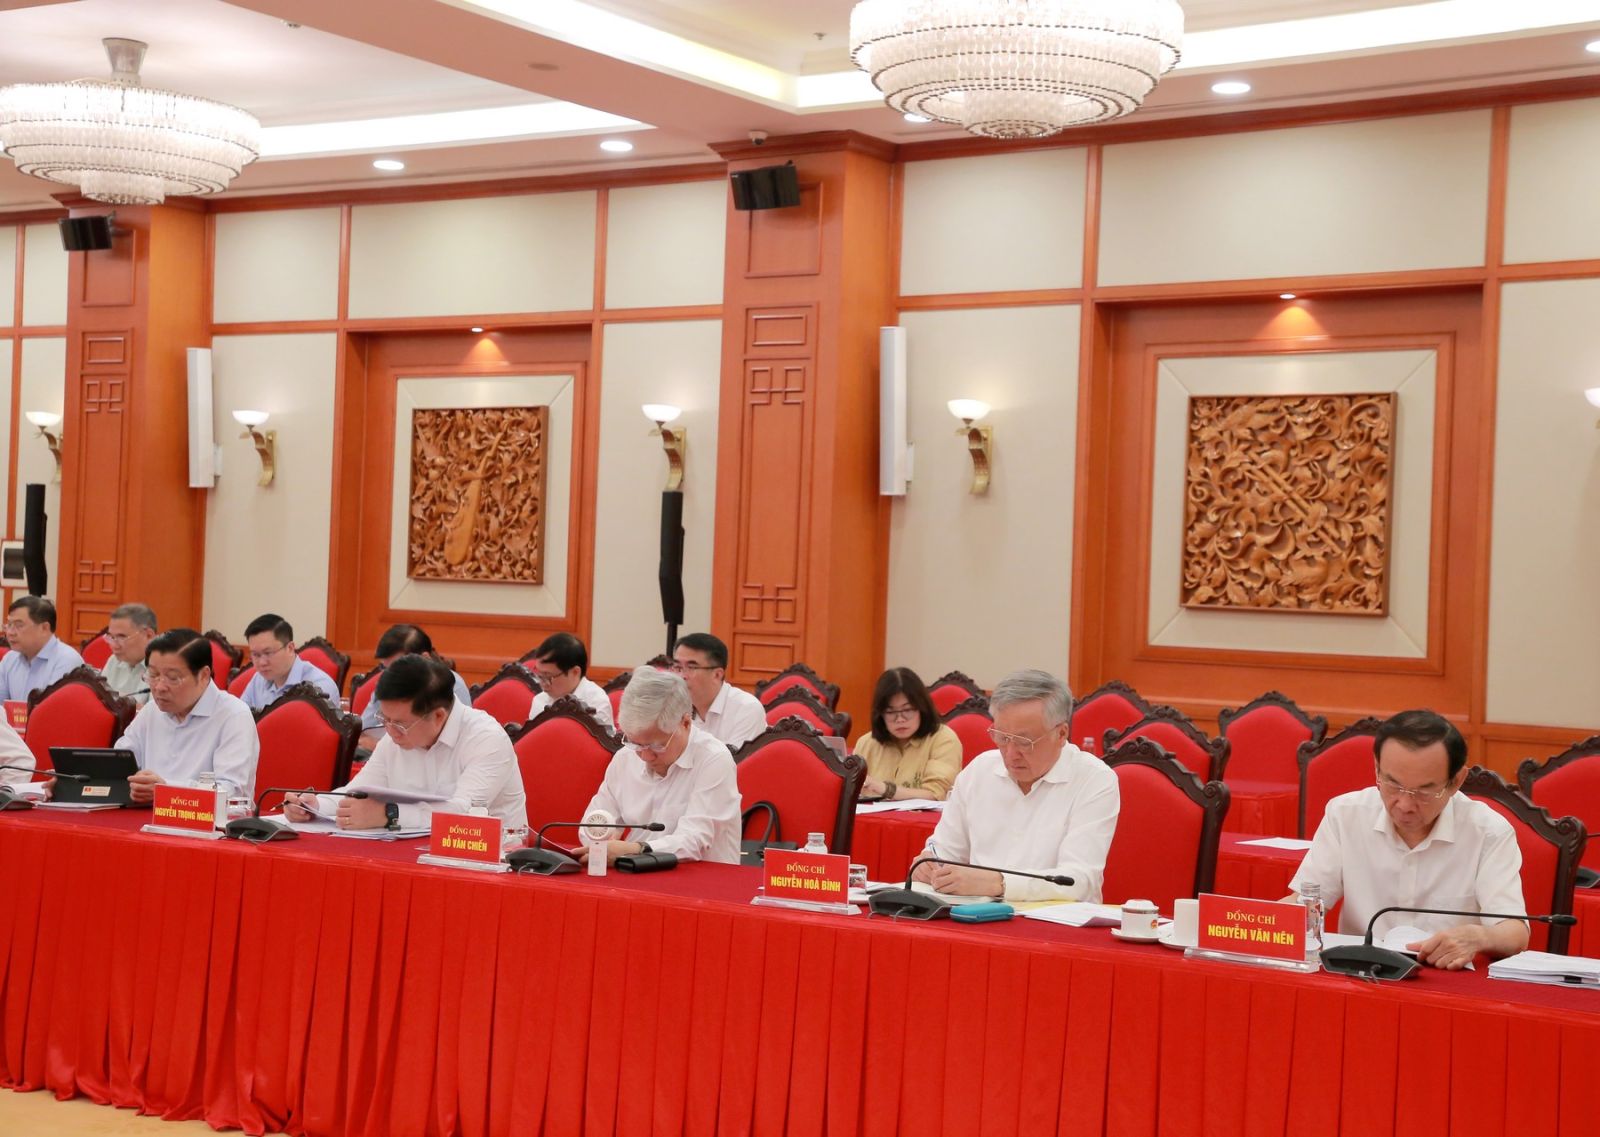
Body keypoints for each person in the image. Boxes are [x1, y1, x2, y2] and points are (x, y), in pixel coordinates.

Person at [1289, 709, 1528, 969]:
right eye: (1393, 785)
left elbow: (1515, 933)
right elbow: (1304, 905)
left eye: (1423, 792)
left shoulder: (1488, 832)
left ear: (1456, 781)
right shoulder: (1345, 814)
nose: (1404, 805)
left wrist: (1479, 937)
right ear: (1377, 767)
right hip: (1361, 974)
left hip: (1446, 977)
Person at [912, 669, 1119, 902]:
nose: (1010, 754)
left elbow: (1077, 881)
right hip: (973, 913)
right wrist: (929, 864)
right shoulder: (979, 771)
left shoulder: (1094, 779)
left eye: (1024, 742)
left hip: (1054, 919)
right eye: (1001, 737)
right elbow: (945, 851)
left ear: (1061, 734)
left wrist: (999, 883)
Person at [283, 654, 525, 830]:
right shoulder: (395, 737)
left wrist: (390, 814)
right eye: (385, 719)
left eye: (400, 724)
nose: (390, 731)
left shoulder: (486, 739)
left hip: (491, 863)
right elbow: (358, 792)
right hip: (415, 854)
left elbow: (463, 812)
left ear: (438, 716)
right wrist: (314, 805)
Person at [577, 666, 741, 866]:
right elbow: (595, 820)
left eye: (657, 745)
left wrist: (635, 850)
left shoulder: (713, 760)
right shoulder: (625, 758)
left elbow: (695, 840)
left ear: (685, 723)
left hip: (700, 876)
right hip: (634, 873)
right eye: (636, 744)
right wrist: (598, 840)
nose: (645, 756)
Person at [116, 629, 259, 803]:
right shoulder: (151, 711)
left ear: (203, 675)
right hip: (148, 815)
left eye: (172, 678)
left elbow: (231, 792)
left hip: (210, 819)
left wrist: (165, 790)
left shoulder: (234, 716)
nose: (159, 687)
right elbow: (121, 762)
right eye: (153, 675)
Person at [356, 624, 472, 750]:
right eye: (385, 668)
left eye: (398, 666)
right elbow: (363, 731)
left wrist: (379, 746)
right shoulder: (389, 682)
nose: (391, 675)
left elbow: (452, 743)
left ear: (424, 658)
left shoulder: (452, 686)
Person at [853, 667, 961, 801]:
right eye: (891, 712)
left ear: (922, 708)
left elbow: (936, 794)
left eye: (907, 710)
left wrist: (886, 789)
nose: (900, 719)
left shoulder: (943, 739)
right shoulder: (866, 743)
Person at [672, 632, 765, 750]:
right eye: (678, 667)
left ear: (717, 675)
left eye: (691, 668)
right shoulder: (673, 706)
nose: (681, 676)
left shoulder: (747, 709)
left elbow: (735, 760)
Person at [238, 613, 340, 711]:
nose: (262, 663)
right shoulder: (258, 680)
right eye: (256, 655)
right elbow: (240, 717)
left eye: (268, 653)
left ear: (290, 648)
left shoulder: (319, 686)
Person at [0, 596, 85, 701]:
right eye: (9, 625)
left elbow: (55, 707)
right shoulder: (9, 659)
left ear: (44, 628)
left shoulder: (67, 661)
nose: (10, 633)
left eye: (19, 625)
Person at [525, 632, 613, 730]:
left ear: (575, 672)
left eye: (548, 677)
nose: (543, 685)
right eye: (540, 676)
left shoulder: (596, 702)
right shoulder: (540, 700)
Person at [100, 602, 158, 705]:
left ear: (149, 635)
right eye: (111, 637)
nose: (114, 646)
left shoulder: (165, 666)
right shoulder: (114, 661)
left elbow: (158, 712)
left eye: (122, 637)